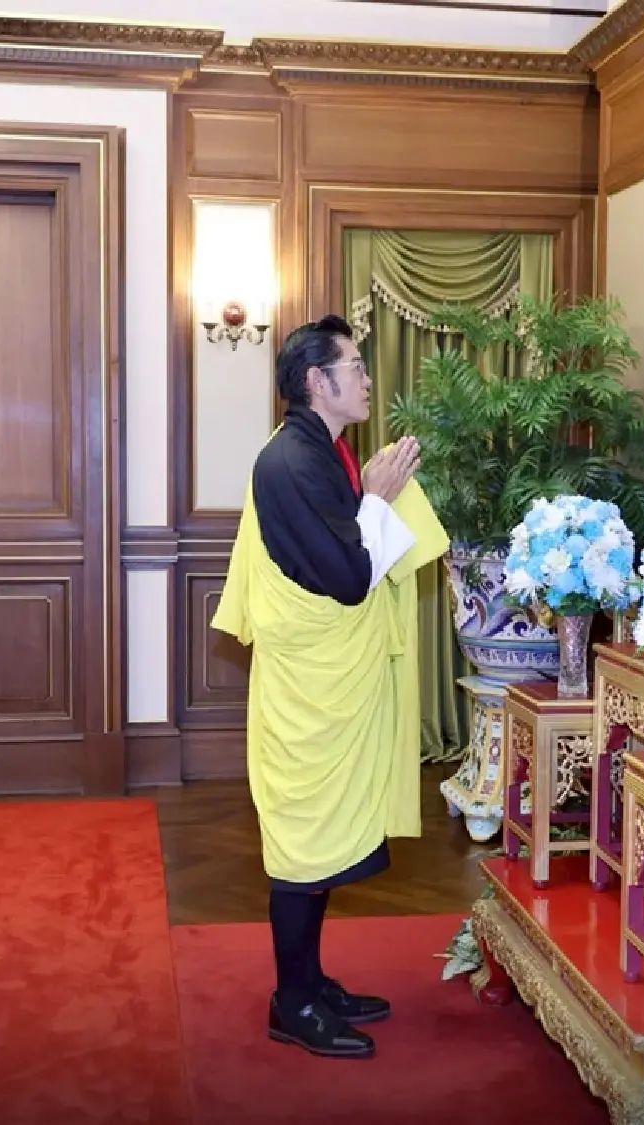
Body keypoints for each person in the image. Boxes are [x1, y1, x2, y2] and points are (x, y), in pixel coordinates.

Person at [211, 314, 449, 1059]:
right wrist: (375, 498)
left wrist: (371, 493)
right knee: (302, 849)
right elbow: (348, 578)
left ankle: (311, 983)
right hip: (307, 695)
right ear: (318, 380)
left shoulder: (322, 450)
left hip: (326, 686)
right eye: (356, 365)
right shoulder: (290, 462)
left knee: (321, 850)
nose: (368, 377)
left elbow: (345, 551)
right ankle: (292, 1002)